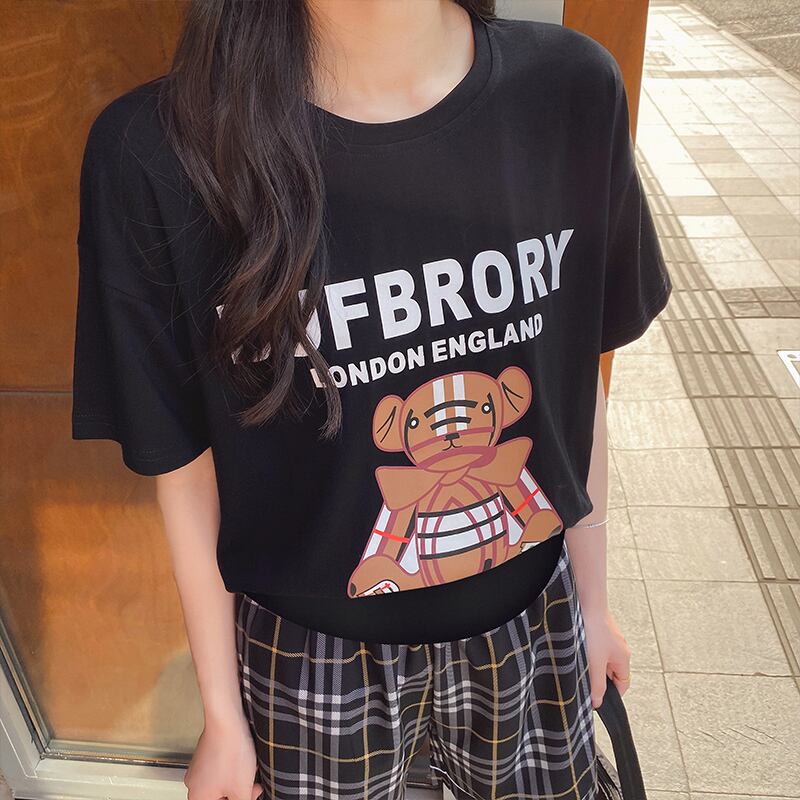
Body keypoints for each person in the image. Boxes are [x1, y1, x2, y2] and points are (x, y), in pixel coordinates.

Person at [71, 1, 672, 798]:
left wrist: (592, 605)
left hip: (533, 619)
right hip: (309, 656)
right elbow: (184, 462)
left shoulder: (569, 89)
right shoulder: (159, 151)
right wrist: (222, 714)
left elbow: (576, 376)